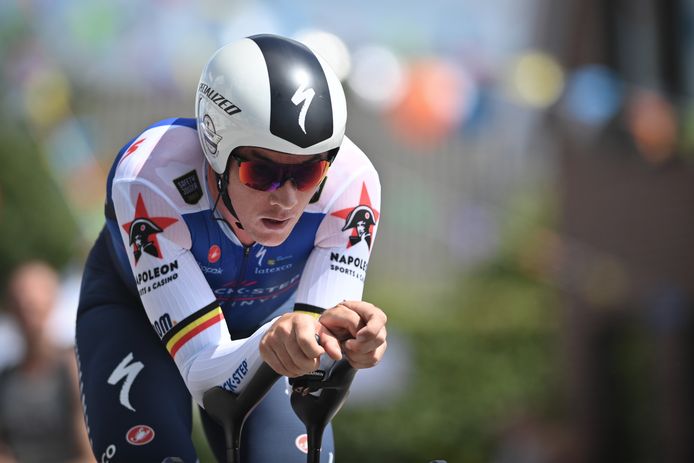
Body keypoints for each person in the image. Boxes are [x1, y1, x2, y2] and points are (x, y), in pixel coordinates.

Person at [75, 34, 387, 462]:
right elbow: (206, 377)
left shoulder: (352, 184)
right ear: (216, 147)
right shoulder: (150, 177)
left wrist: (349, 350)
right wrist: (273, 340)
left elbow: (314, 373)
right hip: (138, 321)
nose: (287, 199)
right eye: (262, 172)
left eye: (310, 172)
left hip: (268, 326)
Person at [0, 261, 93, 463]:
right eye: (19, 304)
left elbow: (90, 455)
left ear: (51, 304)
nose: (26, 311)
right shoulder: (6, 379)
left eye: (32, 305)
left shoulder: (72, 370)